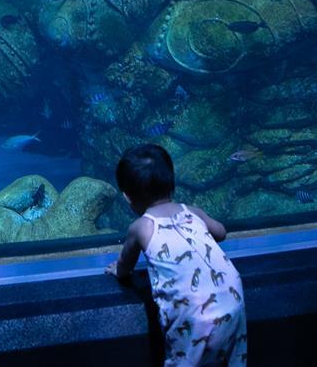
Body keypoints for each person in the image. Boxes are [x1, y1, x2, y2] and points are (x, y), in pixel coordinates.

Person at [105, 143, 248, 365]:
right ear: (172, 183)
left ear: (127, 197)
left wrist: (118, 270)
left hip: (193, 313)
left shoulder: (142, 227)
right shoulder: (192, 211)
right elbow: (221, 232)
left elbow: (125, 266)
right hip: (233, 298)